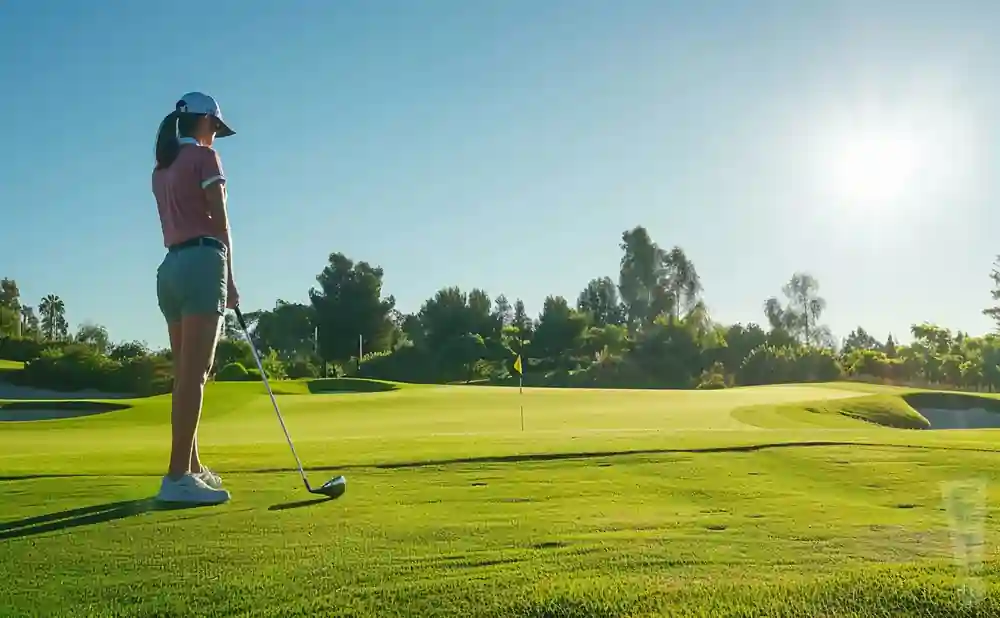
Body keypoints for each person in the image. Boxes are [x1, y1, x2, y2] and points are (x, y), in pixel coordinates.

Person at [151, 92, 238, 505]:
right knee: (196, 374)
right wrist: (232, 280)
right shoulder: (205, 159)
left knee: (186, 375)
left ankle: (192, 466)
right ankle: (177, 476)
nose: (216, 136)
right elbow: (220, 223)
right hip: (203, 263)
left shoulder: (161, 168)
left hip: (170, 271)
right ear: (203, 123)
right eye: (216, 128)